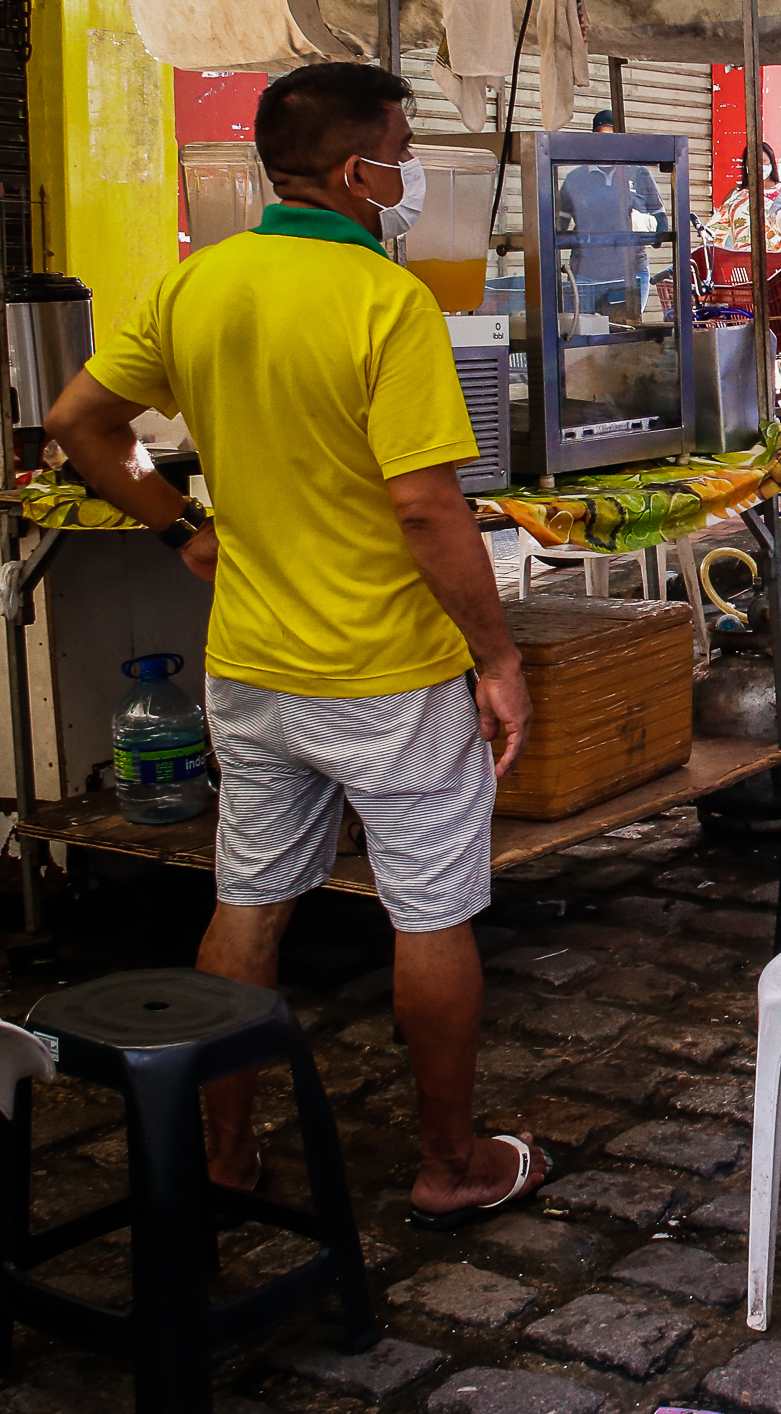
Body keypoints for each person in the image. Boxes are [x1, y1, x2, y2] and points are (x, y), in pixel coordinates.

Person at [45, 63, 544, 1226]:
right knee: (429, 911)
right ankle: (451, 1161)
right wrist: (500, 655)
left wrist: (185, 531)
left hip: (252, 664)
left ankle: (224, 1150)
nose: (411, 171)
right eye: (402, 148)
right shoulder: (386, 301)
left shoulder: (198, 282)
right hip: (390, 672)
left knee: (253, 900)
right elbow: (426, 506)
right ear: (353, 169)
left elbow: (79, 423)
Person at [556, 110, 664, 320]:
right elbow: (558, 226)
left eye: (612, 137)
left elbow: (660, 215)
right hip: (585, 276)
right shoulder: (575, 179)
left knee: (624, 338)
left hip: (631, 275)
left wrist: (655, 236)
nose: (607, 144)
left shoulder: (638, 173)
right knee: (584, 338)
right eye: (601, 136)